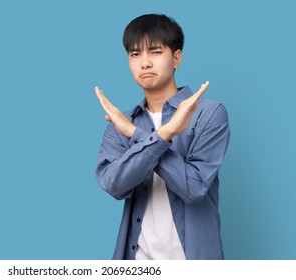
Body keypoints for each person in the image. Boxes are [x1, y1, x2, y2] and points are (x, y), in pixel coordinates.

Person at [94, 14, 230, 260]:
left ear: (176, 58)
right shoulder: (121, 122)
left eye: (155, 52)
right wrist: (162, 135)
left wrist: (137, 135)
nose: (144, 63)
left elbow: (193, 188)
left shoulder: (208, 113)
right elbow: (114, 185)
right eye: (135, 54)